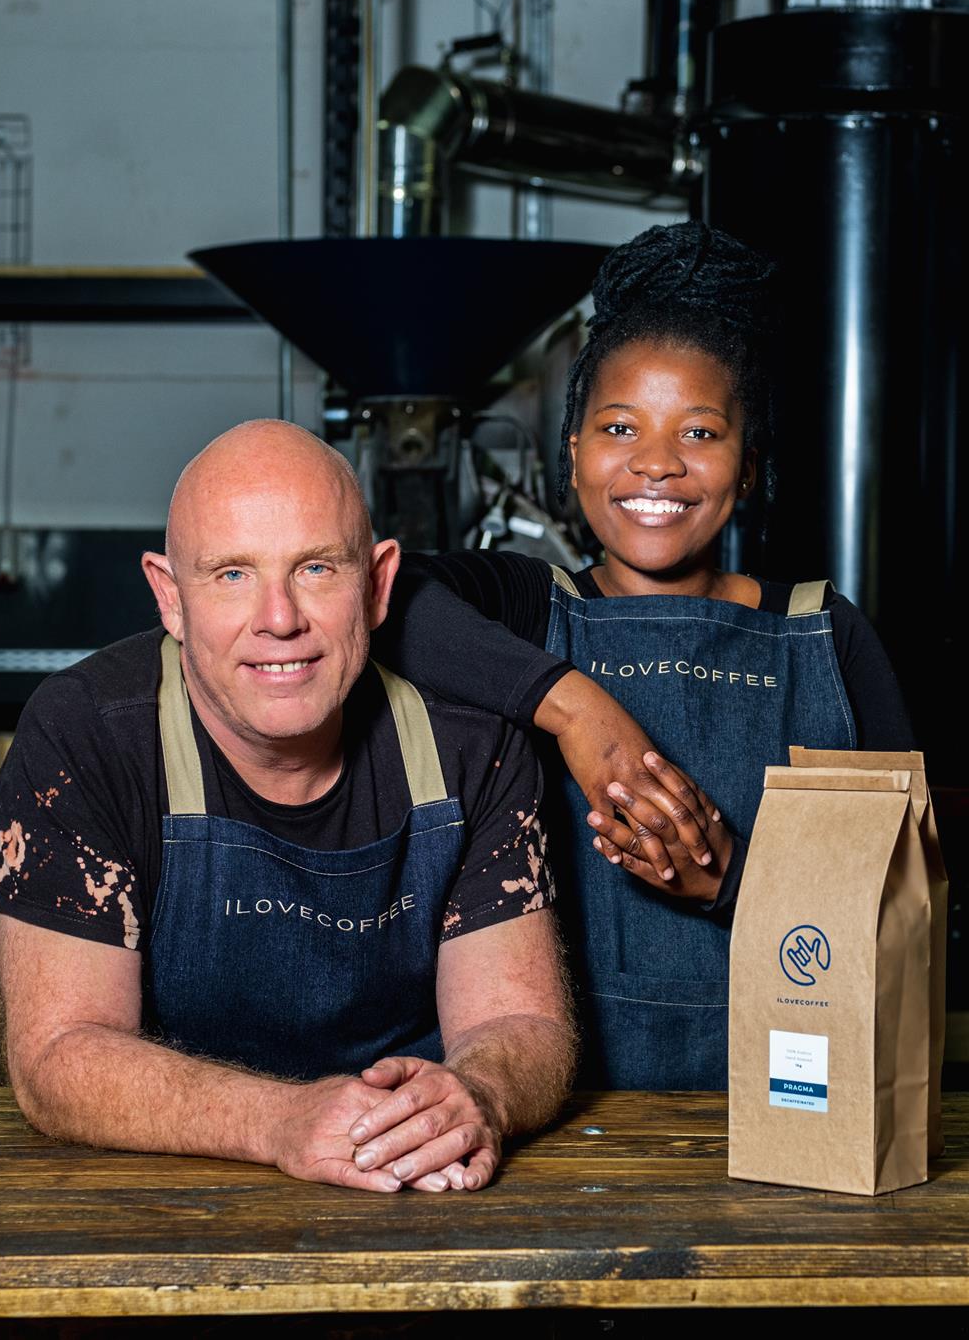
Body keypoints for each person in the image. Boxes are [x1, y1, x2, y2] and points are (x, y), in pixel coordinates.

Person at [375, 220, 913, 1090]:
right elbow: (378, 598)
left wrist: (734, 883)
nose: (657, 465)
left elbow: (897, 908)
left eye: (700, 434)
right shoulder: (524, 605)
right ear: (575, 452)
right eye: (620, 428)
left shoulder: (826, 635)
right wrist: (577, 709)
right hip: (546, 1102)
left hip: (785, 1100)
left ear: (748, 465)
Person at [0, 421, 575, 1193]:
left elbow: (518, 1022)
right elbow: (60, 1056)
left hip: (421, 1187)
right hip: (159, 1200)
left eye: (317, 568)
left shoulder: (470, 740)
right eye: (230, 575)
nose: (279, 618)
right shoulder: (87, 735)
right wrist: (280, 1121)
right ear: (170, 595)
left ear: (379, 582)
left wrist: (475, 1096)